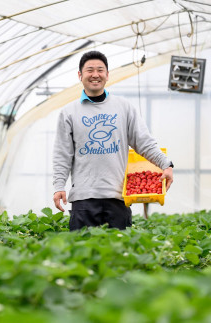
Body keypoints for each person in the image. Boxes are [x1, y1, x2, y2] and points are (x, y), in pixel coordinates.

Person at [52, 51, 174, 231]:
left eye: (100, 70)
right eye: (90, 70)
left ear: (107, 75)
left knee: (119, 255)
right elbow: (62, 154)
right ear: (80, 75)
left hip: (117, 198)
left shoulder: (123, 107)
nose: (95, 75)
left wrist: (167, 164)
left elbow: (143, 142)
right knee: (81, 256)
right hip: (83, 200)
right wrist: (58, 186)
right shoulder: (69, 112)